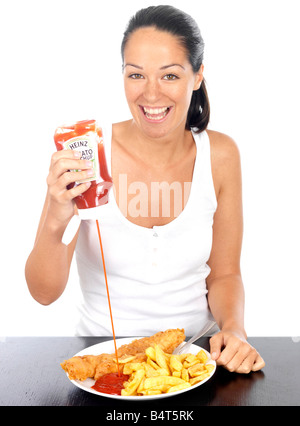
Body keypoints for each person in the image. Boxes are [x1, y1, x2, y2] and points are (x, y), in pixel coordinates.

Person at [25, 5, 265, 374]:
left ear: (197, 76)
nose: (151, 94)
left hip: (195, 361)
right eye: (136, 74)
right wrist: (57, 217)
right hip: (103, 364)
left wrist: (234, 330)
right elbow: (44, 293)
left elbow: (225, 273)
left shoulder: (220, 154)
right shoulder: (89, 151)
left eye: (169, 75)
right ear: (122, 75)